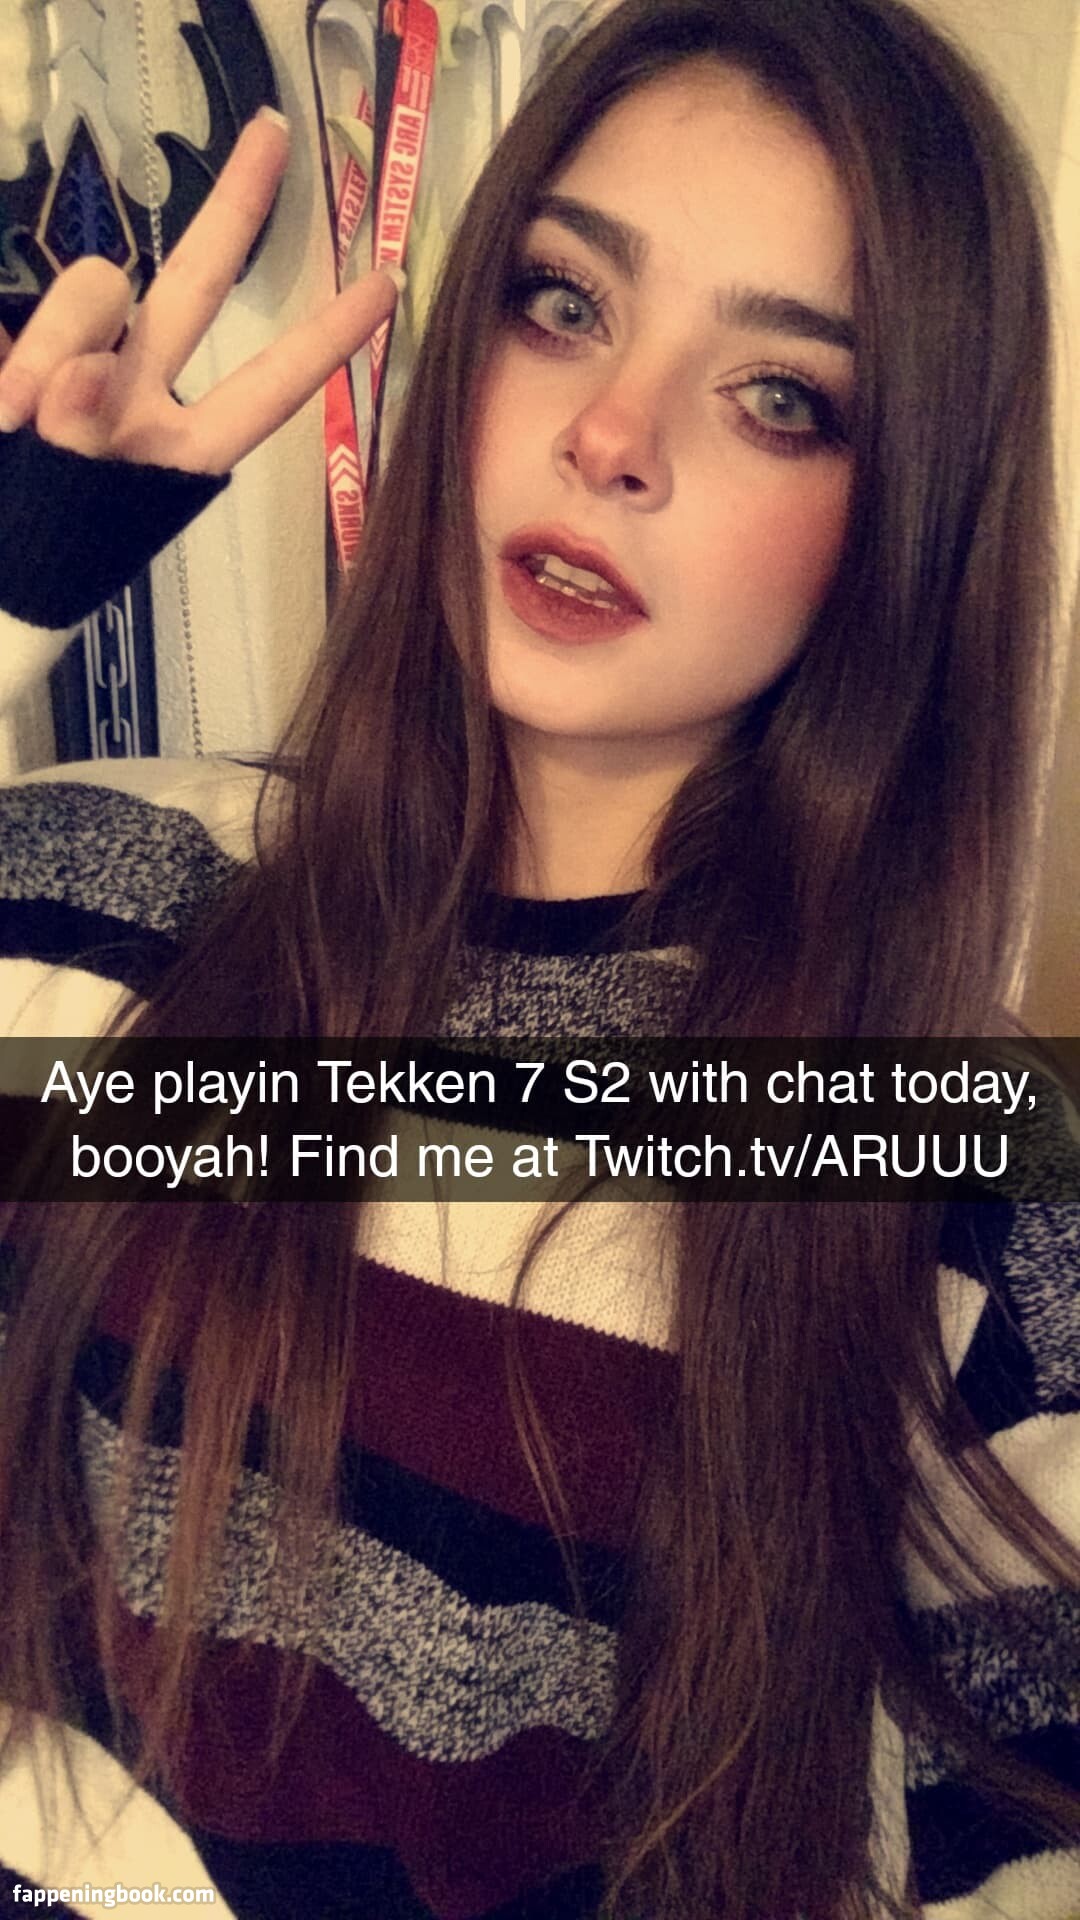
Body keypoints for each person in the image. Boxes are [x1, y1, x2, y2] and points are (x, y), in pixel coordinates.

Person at [0, 0, 1077, 1916]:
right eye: (565, 303)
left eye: (780, 396)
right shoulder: (103, 896)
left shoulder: (963, 1181)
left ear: (905, 521)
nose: (608, 438)